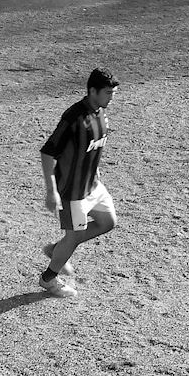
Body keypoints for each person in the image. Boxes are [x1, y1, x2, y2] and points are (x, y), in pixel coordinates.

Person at [38, 68, 120, 298]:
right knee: (73, 237)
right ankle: (49, 278)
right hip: (72, 191)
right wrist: (51, 191)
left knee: (107, 222)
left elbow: (90, 148)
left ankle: (57, 250)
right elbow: (48, 153)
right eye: (107, 92)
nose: (111, 97)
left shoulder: (101, 112)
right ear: (92, 91)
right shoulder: (74, 118)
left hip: (93, 185)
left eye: (113, 92)